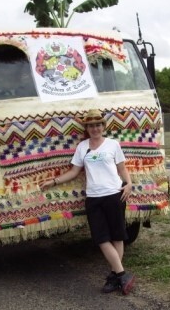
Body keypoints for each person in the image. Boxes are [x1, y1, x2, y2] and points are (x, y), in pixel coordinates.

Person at [40, 109, 135, 295]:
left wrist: (130, 184)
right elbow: (74, 172)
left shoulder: (113, 145)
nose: (95, 128)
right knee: (101, 238)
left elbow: (122, 168)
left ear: (103, 126)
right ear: (87, 128)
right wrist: (53, 181)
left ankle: (114, 277)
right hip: (93, 198)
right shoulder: (82, 147)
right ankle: (122, 274)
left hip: (114, 194)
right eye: (91, 125)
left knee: (117, 236)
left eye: (98, 124)